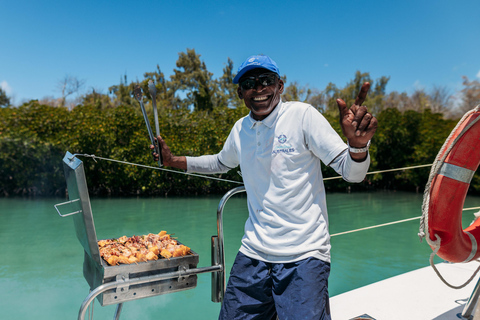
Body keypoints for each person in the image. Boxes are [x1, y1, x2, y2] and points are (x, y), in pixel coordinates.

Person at [151, 55, 377, 320]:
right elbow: (219, 162)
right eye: (249, 83)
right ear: (240, 93)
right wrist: (172, 160)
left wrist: (358, 147)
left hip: (304, 254)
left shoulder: (303, 116)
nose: (258, 88)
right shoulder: (240, 129)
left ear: (280, 86)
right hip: (254, 252)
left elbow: (352, 173)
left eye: (266, 81)